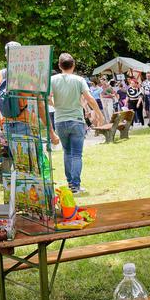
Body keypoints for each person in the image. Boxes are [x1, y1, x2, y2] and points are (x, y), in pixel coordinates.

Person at [50, 52, 105, 194]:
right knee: (76, 154)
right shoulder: (79, 80)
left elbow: (47, 98)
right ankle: (75, 185)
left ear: (59, 65)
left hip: (60, 120)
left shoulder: (52, 80)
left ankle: (70, 183)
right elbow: (90, 98)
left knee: (67, 152)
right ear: (73, 65)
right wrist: (99, 114)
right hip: (76, 120)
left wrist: (56, 104)